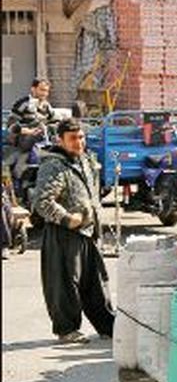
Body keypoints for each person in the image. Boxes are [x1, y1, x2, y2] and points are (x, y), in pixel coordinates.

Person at [32, 118, 115, 344]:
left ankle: (109, 326)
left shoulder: (85, 160)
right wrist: (68, 219)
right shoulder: (53, 165)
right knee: (64, 284)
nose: (78, 142)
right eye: (73, 139)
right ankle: (66, 329)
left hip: (87, 232)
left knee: (96, 282)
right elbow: (43, 201)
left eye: (81, 137)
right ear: (61, 140)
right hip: (64, 233)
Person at [6, 78, 53, 186]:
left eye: (46, 91)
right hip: (23, 138)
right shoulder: (23, 104)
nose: (44, 94)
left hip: (40, 138)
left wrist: (48, 127)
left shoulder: (46, 106)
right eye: (42, 90)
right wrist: (29, 131)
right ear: (33, 89)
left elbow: (53, 120)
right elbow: (11, 126)